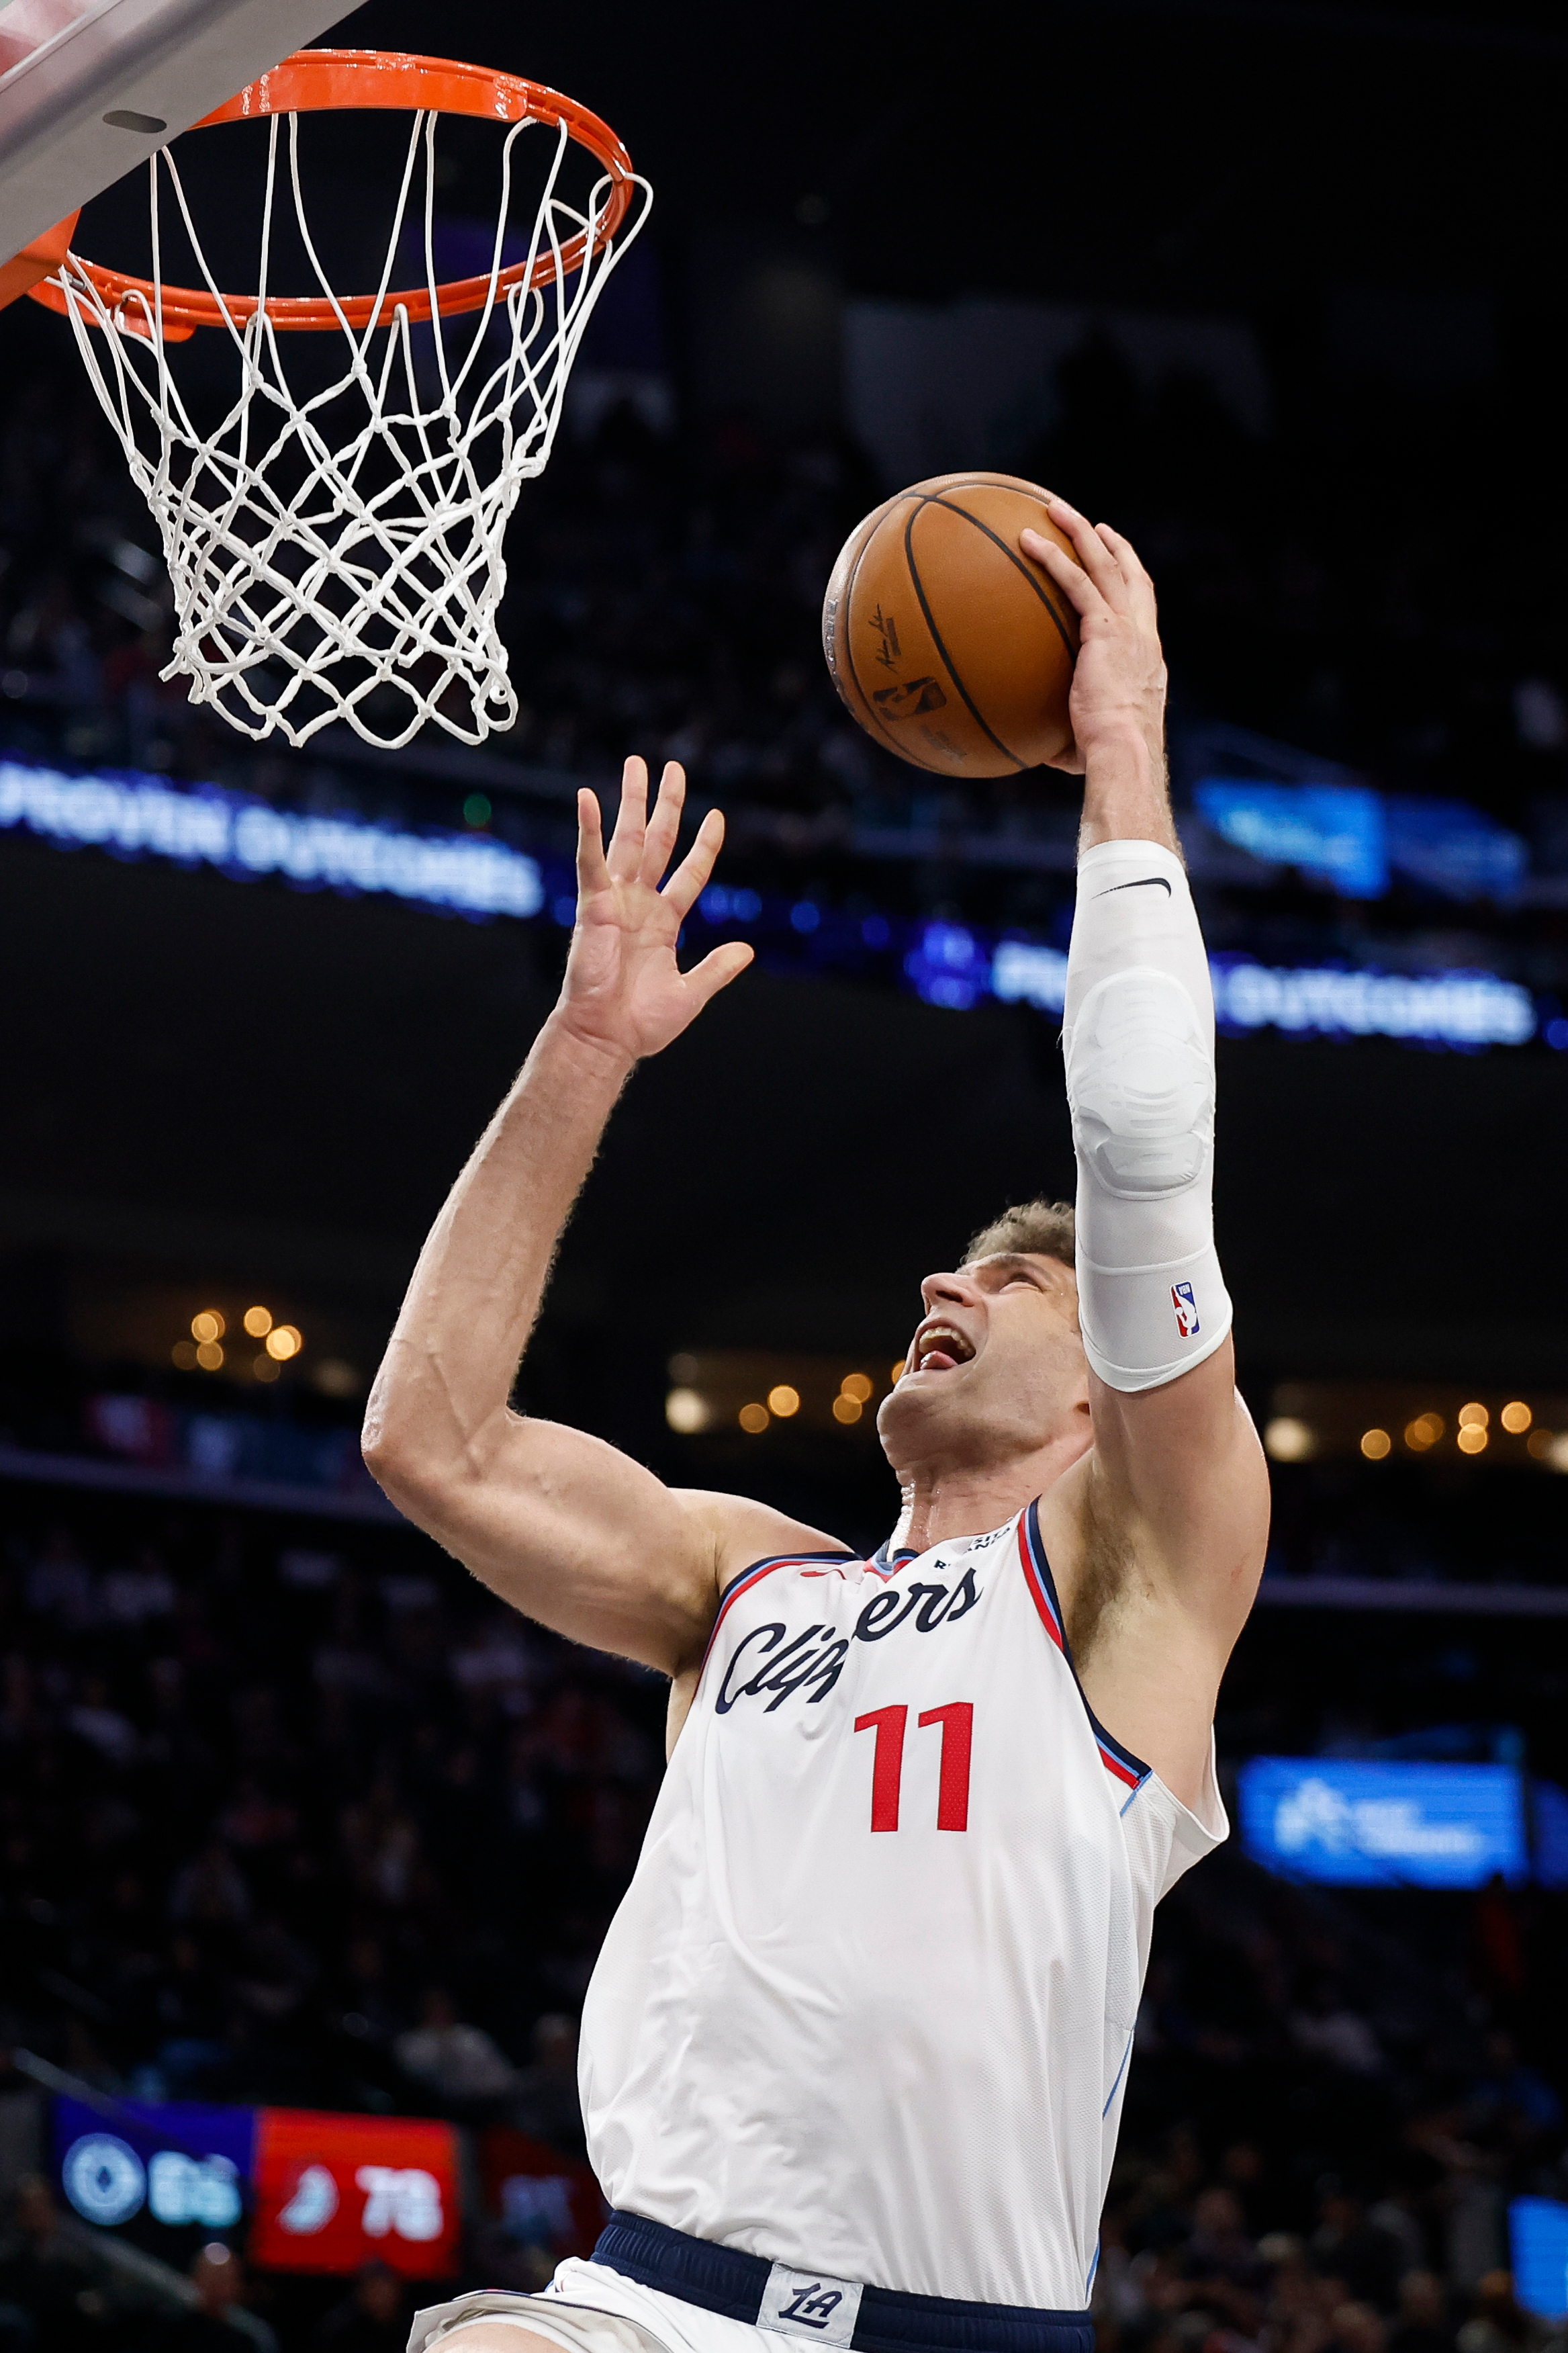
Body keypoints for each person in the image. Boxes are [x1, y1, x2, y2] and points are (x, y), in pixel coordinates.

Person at [362, 496, 1271, 2353]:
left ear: (1102, 1378)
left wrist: (1119, 752)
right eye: (942, 1275)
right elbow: (431, 1442)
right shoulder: (744, 1582)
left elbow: (1145, 1167)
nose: (938, 1294)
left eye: (1000, 1288)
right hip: (645, 2304)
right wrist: (583, 1054)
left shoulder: (1131, 1583)